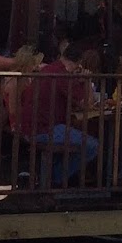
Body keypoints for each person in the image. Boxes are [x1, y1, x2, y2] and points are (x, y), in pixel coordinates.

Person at [19, 42, 100, 186]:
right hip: (44, 129)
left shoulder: (50, 69)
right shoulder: (63, 76)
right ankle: (55, 179)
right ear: (79, 63)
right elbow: (87, 104)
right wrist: (87, 81)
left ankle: (49, 178)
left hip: (30, 125)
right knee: (92, 145)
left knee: (73, 140)